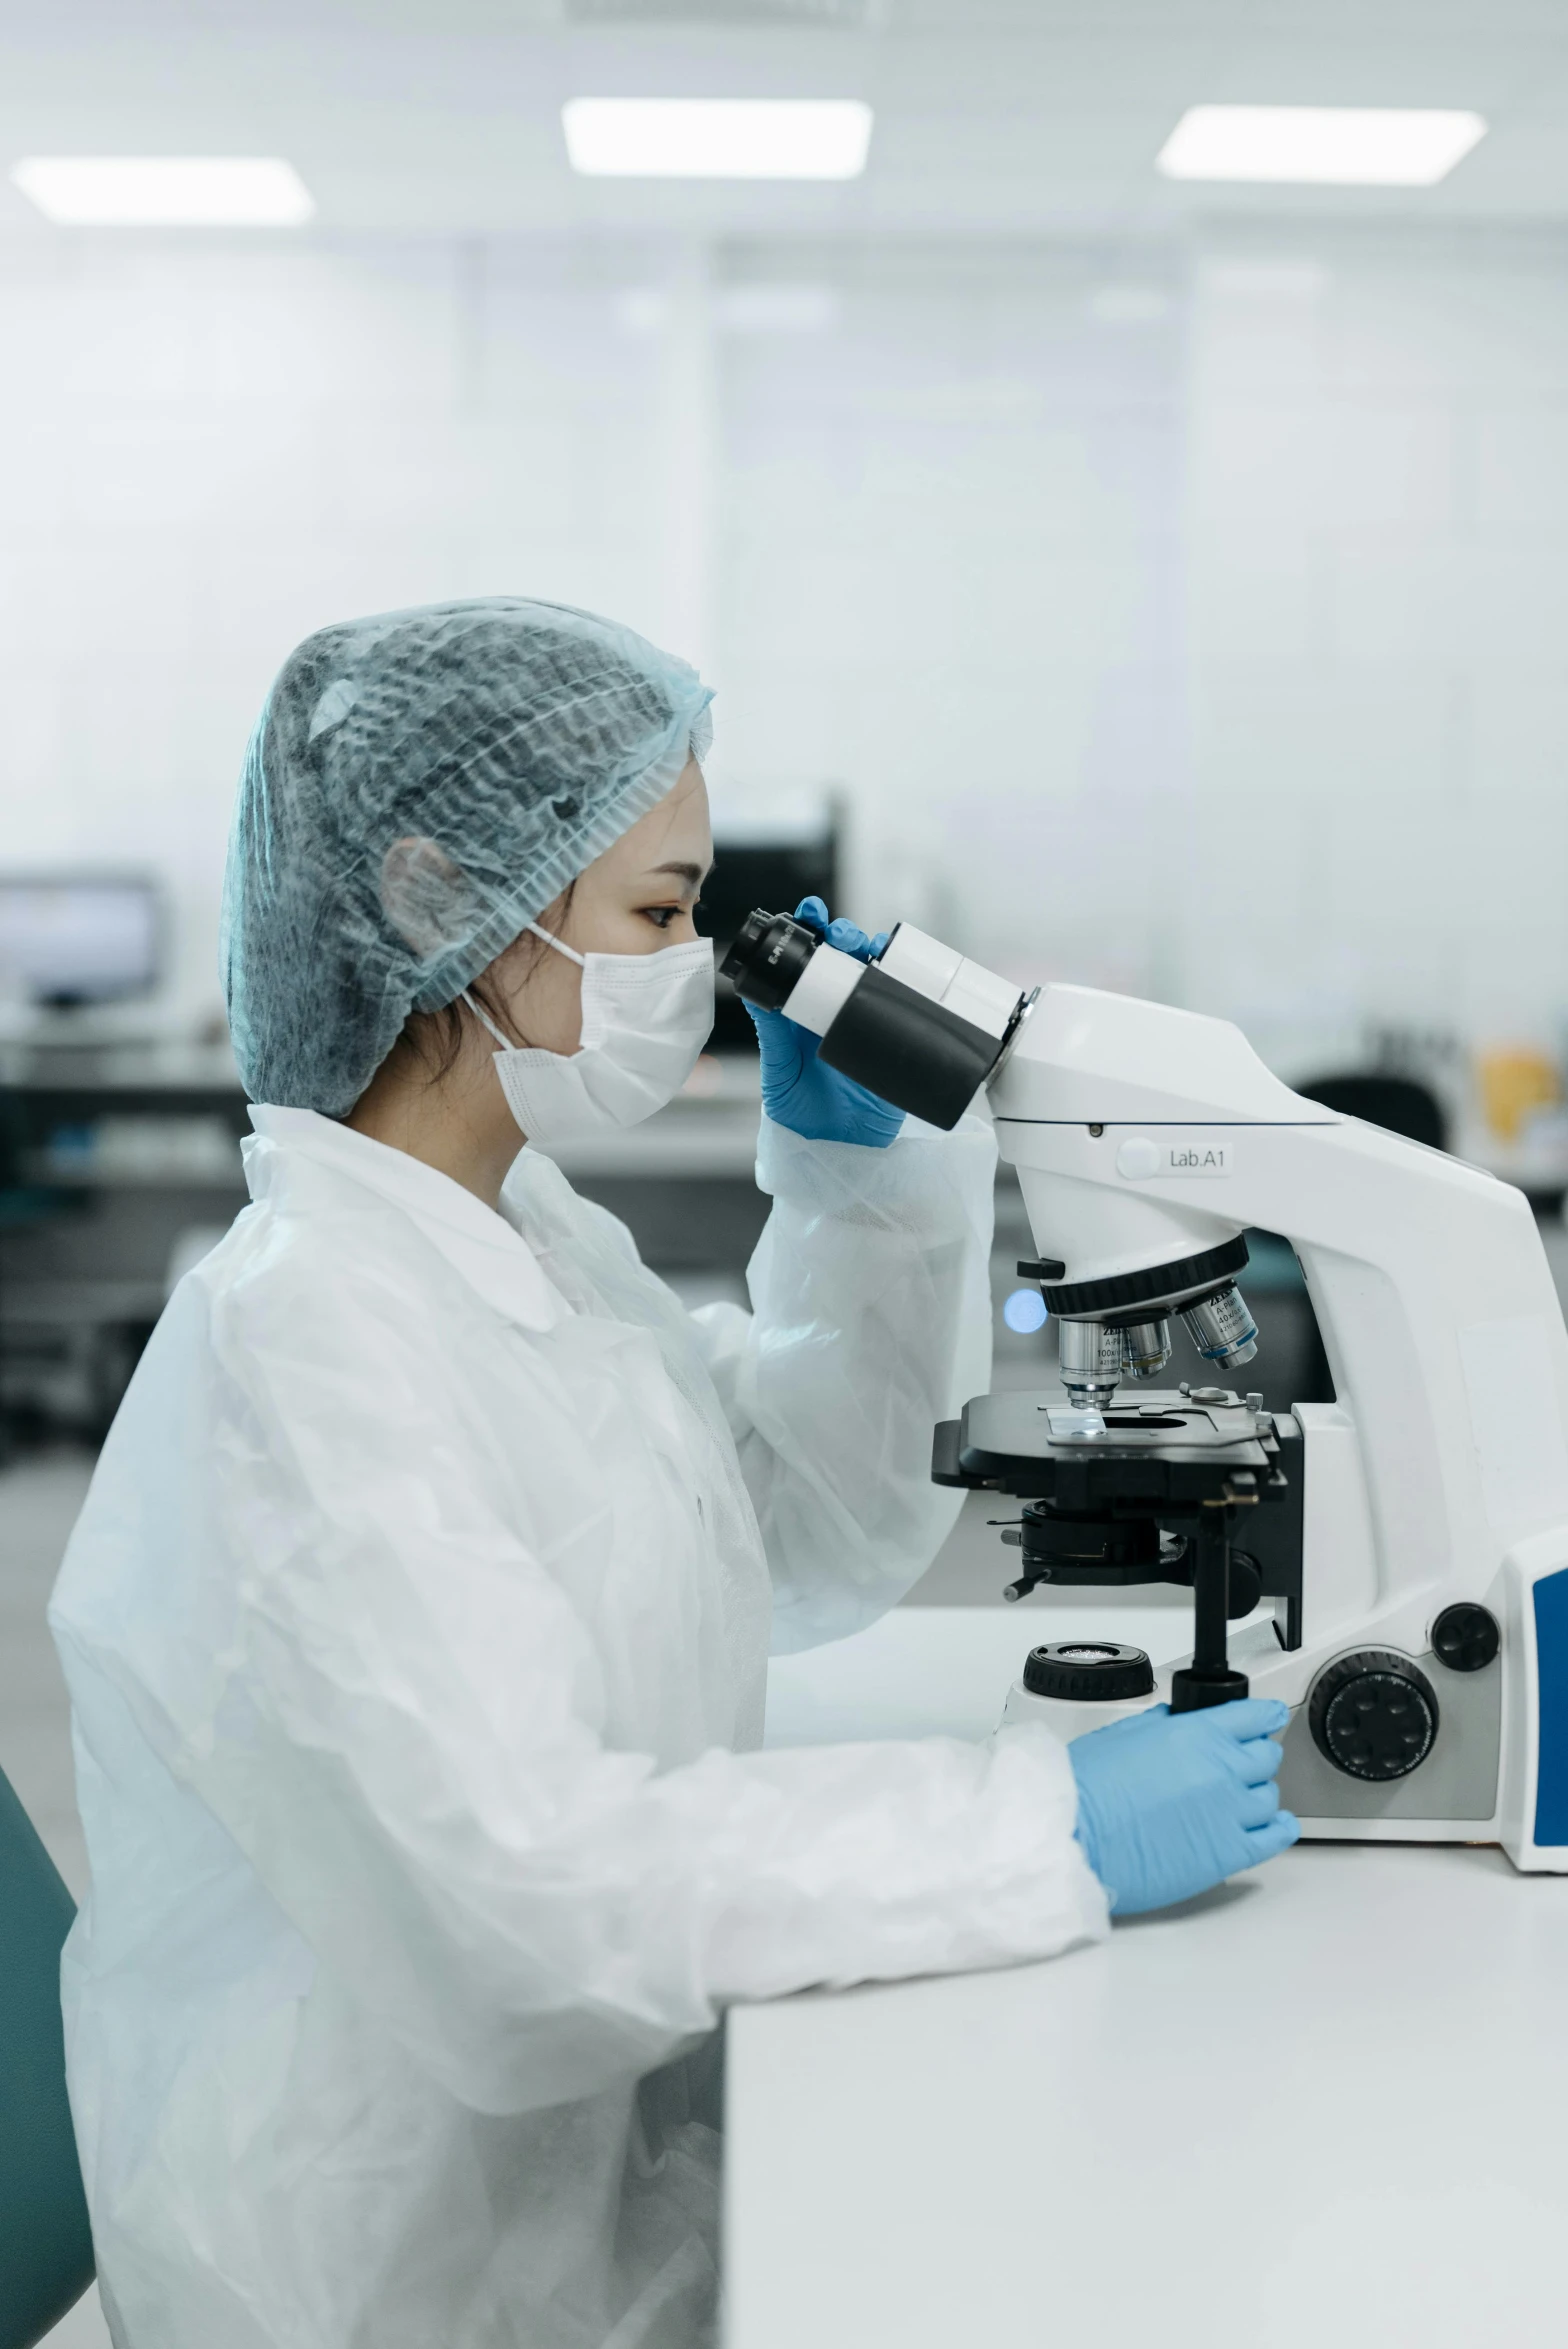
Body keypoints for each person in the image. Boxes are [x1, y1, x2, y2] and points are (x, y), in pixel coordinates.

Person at [50, 599, 1297, 2349]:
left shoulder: (522, 1241)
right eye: (652, 914)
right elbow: (528, 1904)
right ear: (435, 904)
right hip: (376, 2284)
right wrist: (1039, 1830)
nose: (691, 968)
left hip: (588, 2204)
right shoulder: (308, 1344)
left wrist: (862, 1187)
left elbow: (804, 1525)